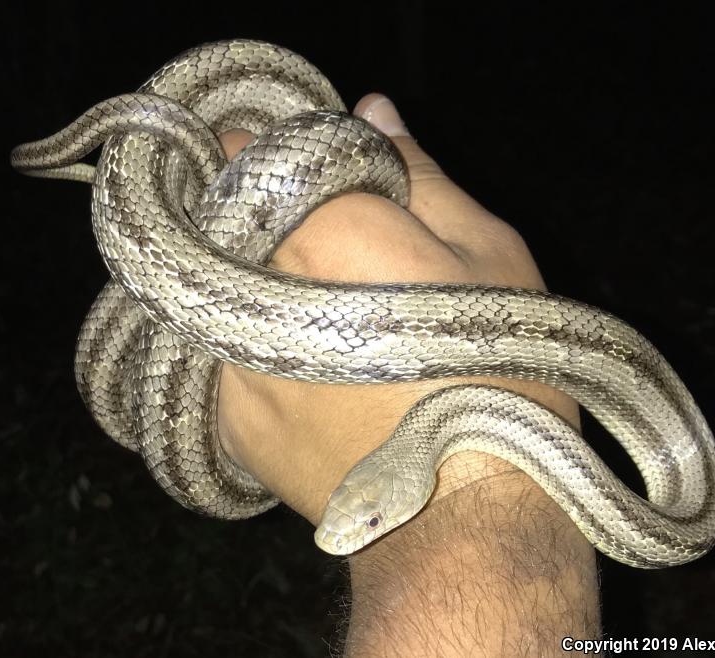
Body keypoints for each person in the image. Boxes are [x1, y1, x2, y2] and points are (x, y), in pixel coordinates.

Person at [216, 94, 601, 656]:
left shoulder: (451, 432)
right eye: (367, 516)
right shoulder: (459, 427)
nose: (342, 534)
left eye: (371, 521)